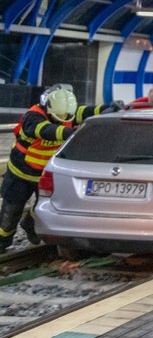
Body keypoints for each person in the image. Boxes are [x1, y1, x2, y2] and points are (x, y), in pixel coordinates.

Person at [0, 84, 121, 251]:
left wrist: (109, 107)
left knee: (45, 208)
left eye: (66, 118)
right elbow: (45, 130)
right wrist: (72, 133)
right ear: (48, 108)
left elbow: (87, 112)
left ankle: (30, 224)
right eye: (58, 118)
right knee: (11, 210)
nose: (62, 119)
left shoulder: (67, 112)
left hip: (45, 175)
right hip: (20, 174)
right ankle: (3, 241)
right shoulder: (33, 117)